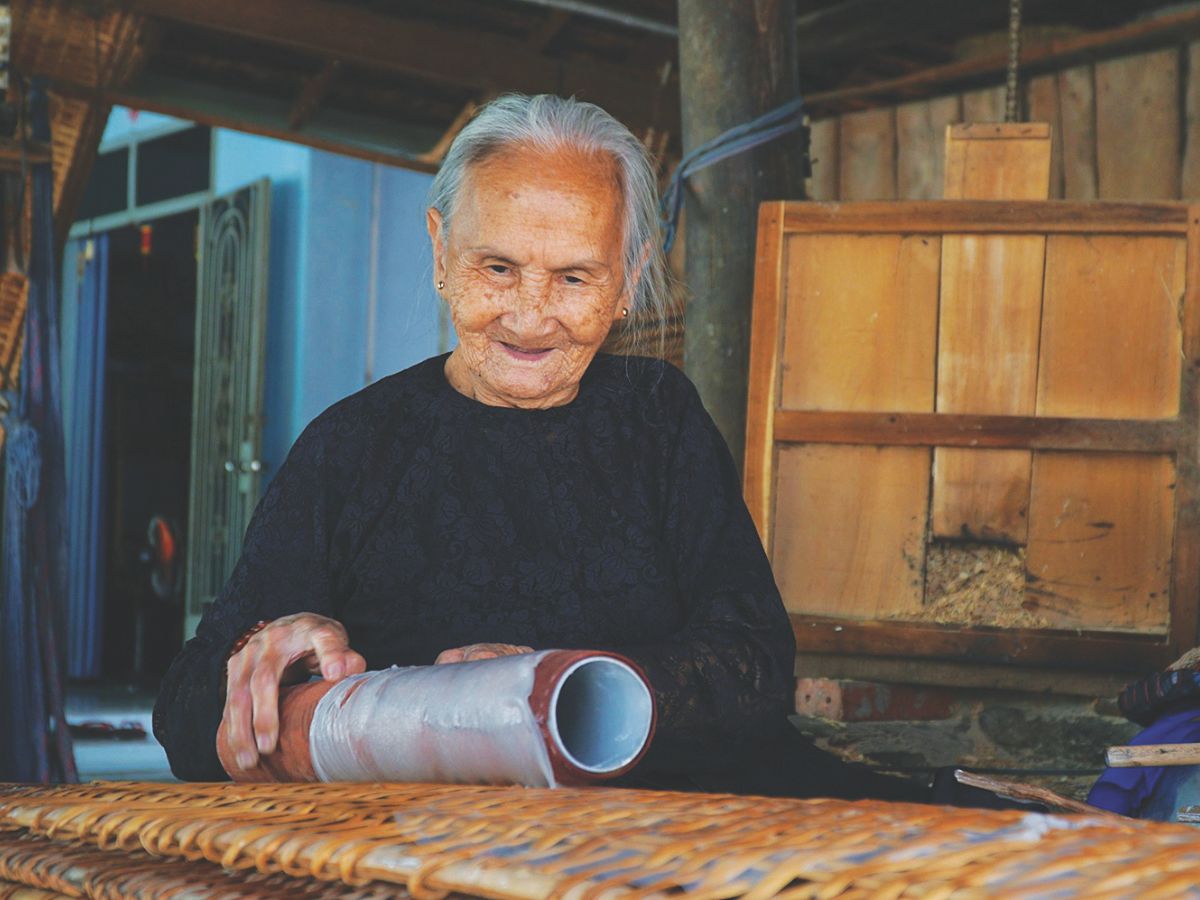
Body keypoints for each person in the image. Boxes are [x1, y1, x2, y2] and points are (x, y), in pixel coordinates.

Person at [153, 93, 923, 801]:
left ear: (629, 279)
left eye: (575, 278)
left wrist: (545, 689)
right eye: (497, 267)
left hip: (688, 831)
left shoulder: (658, 417)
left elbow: (754, 668)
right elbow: (185, 713)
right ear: (440, 251)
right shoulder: (351, 448)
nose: (530, 316)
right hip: (436, 858)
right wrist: (270, 666)